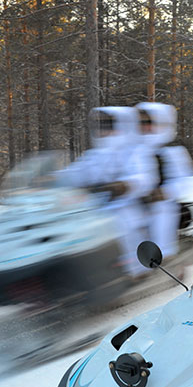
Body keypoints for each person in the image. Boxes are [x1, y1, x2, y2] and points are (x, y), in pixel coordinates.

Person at [58, 106, 153, 277]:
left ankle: (137, 270)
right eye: (101, 126)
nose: (103, 130)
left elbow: (144, 177)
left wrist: (124, 185)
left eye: (108, 125)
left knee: (122, 224)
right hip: (94, 205)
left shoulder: (134, 151)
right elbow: (77, 172)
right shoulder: (94, 154)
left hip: (124, 205)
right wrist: (53, 178)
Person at [134, 102, 193, 258]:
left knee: (161, 212)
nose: (145, 127)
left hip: (161, 201)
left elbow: (185, 180)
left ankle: (164, 255)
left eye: (149, 122)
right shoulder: (134, 149)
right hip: (136, 199)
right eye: (141, 122)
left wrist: (164, 192)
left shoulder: (172, 151)